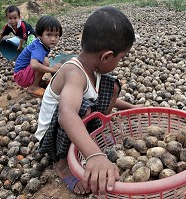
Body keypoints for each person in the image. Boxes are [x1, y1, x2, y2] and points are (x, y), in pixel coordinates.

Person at [35, 6, 139, 196]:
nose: (120, 62)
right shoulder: (74, 73)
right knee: (79, 109)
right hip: (52, 137)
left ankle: (95, 132)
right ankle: (63, 165)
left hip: (74, 122)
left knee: (112, 85)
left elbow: (103, 96)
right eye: (121, 58)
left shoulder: (94, 67)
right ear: (107, 56)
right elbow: (66, 115)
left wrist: (135, 108)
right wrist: (95, 155)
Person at [13, 15, 62, 97]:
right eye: (49, 35)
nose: (53, 39)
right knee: (45, 61)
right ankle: (33, 87)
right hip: (20, 76)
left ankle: (38, 82)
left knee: (45, 59)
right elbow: (34, 65)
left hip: (22, 74)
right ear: (39, 35)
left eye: (56, 35)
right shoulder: (38, 47)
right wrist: (51, 69)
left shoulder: (41, 43)